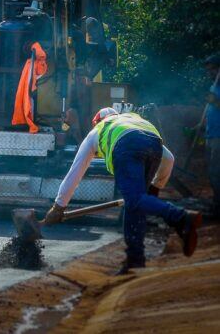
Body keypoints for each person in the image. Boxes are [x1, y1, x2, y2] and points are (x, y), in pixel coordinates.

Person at [45, 107, 202, 274]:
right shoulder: (134, 121)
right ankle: (135, 259)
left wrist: (58, 206)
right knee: (134, 204)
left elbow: (75, 173)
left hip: (126, 147)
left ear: (97, 122)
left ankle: (181, 217)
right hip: (154, 144)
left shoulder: (98, 130)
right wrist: (156, 188)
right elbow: (169, 159)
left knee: (134, 200)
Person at [197, 54, 220, 216]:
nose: (209, 73)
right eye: (208, 70)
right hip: (211, 135)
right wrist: (200, 126)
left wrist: (216, 101)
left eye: (212, 69)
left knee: (216, 171)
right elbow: (211, 112)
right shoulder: (214, 87)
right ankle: (216, 202)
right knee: (212, 171)